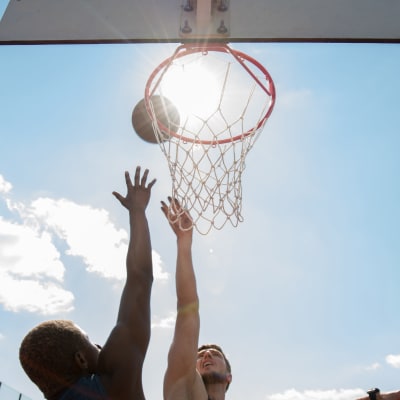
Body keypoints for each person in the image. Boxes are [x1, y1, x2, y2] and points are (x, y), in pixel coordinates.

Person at [19, 166, 156, 400]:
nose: (100, 346)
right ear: (81, 359)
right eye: (90, 342)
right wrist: (137, 212)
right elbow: (140, 278)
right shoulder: (110, 386)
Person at [161, 197, 232, 400]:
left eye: (214, 355)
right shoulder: (184, 386)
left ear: (229, 377)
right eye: (200, 356)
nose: (206, 355)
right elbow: (187, 308)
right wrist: (184, 243)